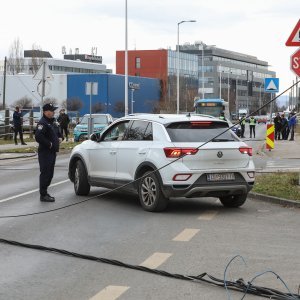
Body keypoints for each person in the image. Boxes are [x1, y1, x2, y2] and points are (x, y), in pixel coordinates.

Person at [35, 103, 62, 202]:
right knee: (45, 173)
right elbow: (38, 136)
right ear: (46, 112)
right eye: (52, 110)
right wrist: (49, 144)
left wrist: (60, 137)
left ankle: (45, 192)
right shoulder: (42, 123)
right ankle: (43, 194)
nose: (54, 112)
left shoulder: (52, 121)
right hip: (45, 152)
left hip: (52, 152)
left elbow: (57, 132)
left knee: (50, 173)